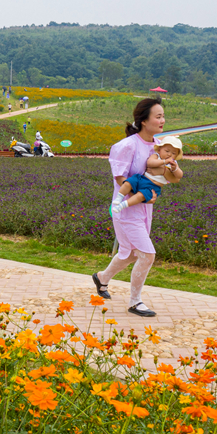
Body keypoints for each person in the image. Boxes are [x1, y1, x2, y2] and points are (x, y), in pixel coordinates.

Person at [91, 97, 167, 318]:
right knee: (147, 254)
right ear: (144, 120)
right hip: (126, 209)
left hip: (145, 208)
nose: (163, 120)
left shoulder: (158, 145)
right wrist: (140, 195)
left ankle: (102, 278)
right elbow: (120, 178)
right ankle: (135, 302)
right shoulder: (126, 146)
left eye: (163, 116)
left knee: (130, 253)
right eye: (158, 116)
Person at [111, 136, 184, 216]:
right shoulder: (156, 156)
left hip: (153, 187)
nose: (169, 154)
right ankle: (119, 197)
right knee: (129, 182)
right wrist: (164, 162)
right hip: (143, 179)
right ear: (159, 150)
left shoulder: (173, 163)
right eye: (167, 151)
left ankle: (123, 205)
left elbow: (179, 176)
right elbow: (150, 163)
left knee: (140, 196)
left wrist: (175, 169)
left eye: (173, 153)